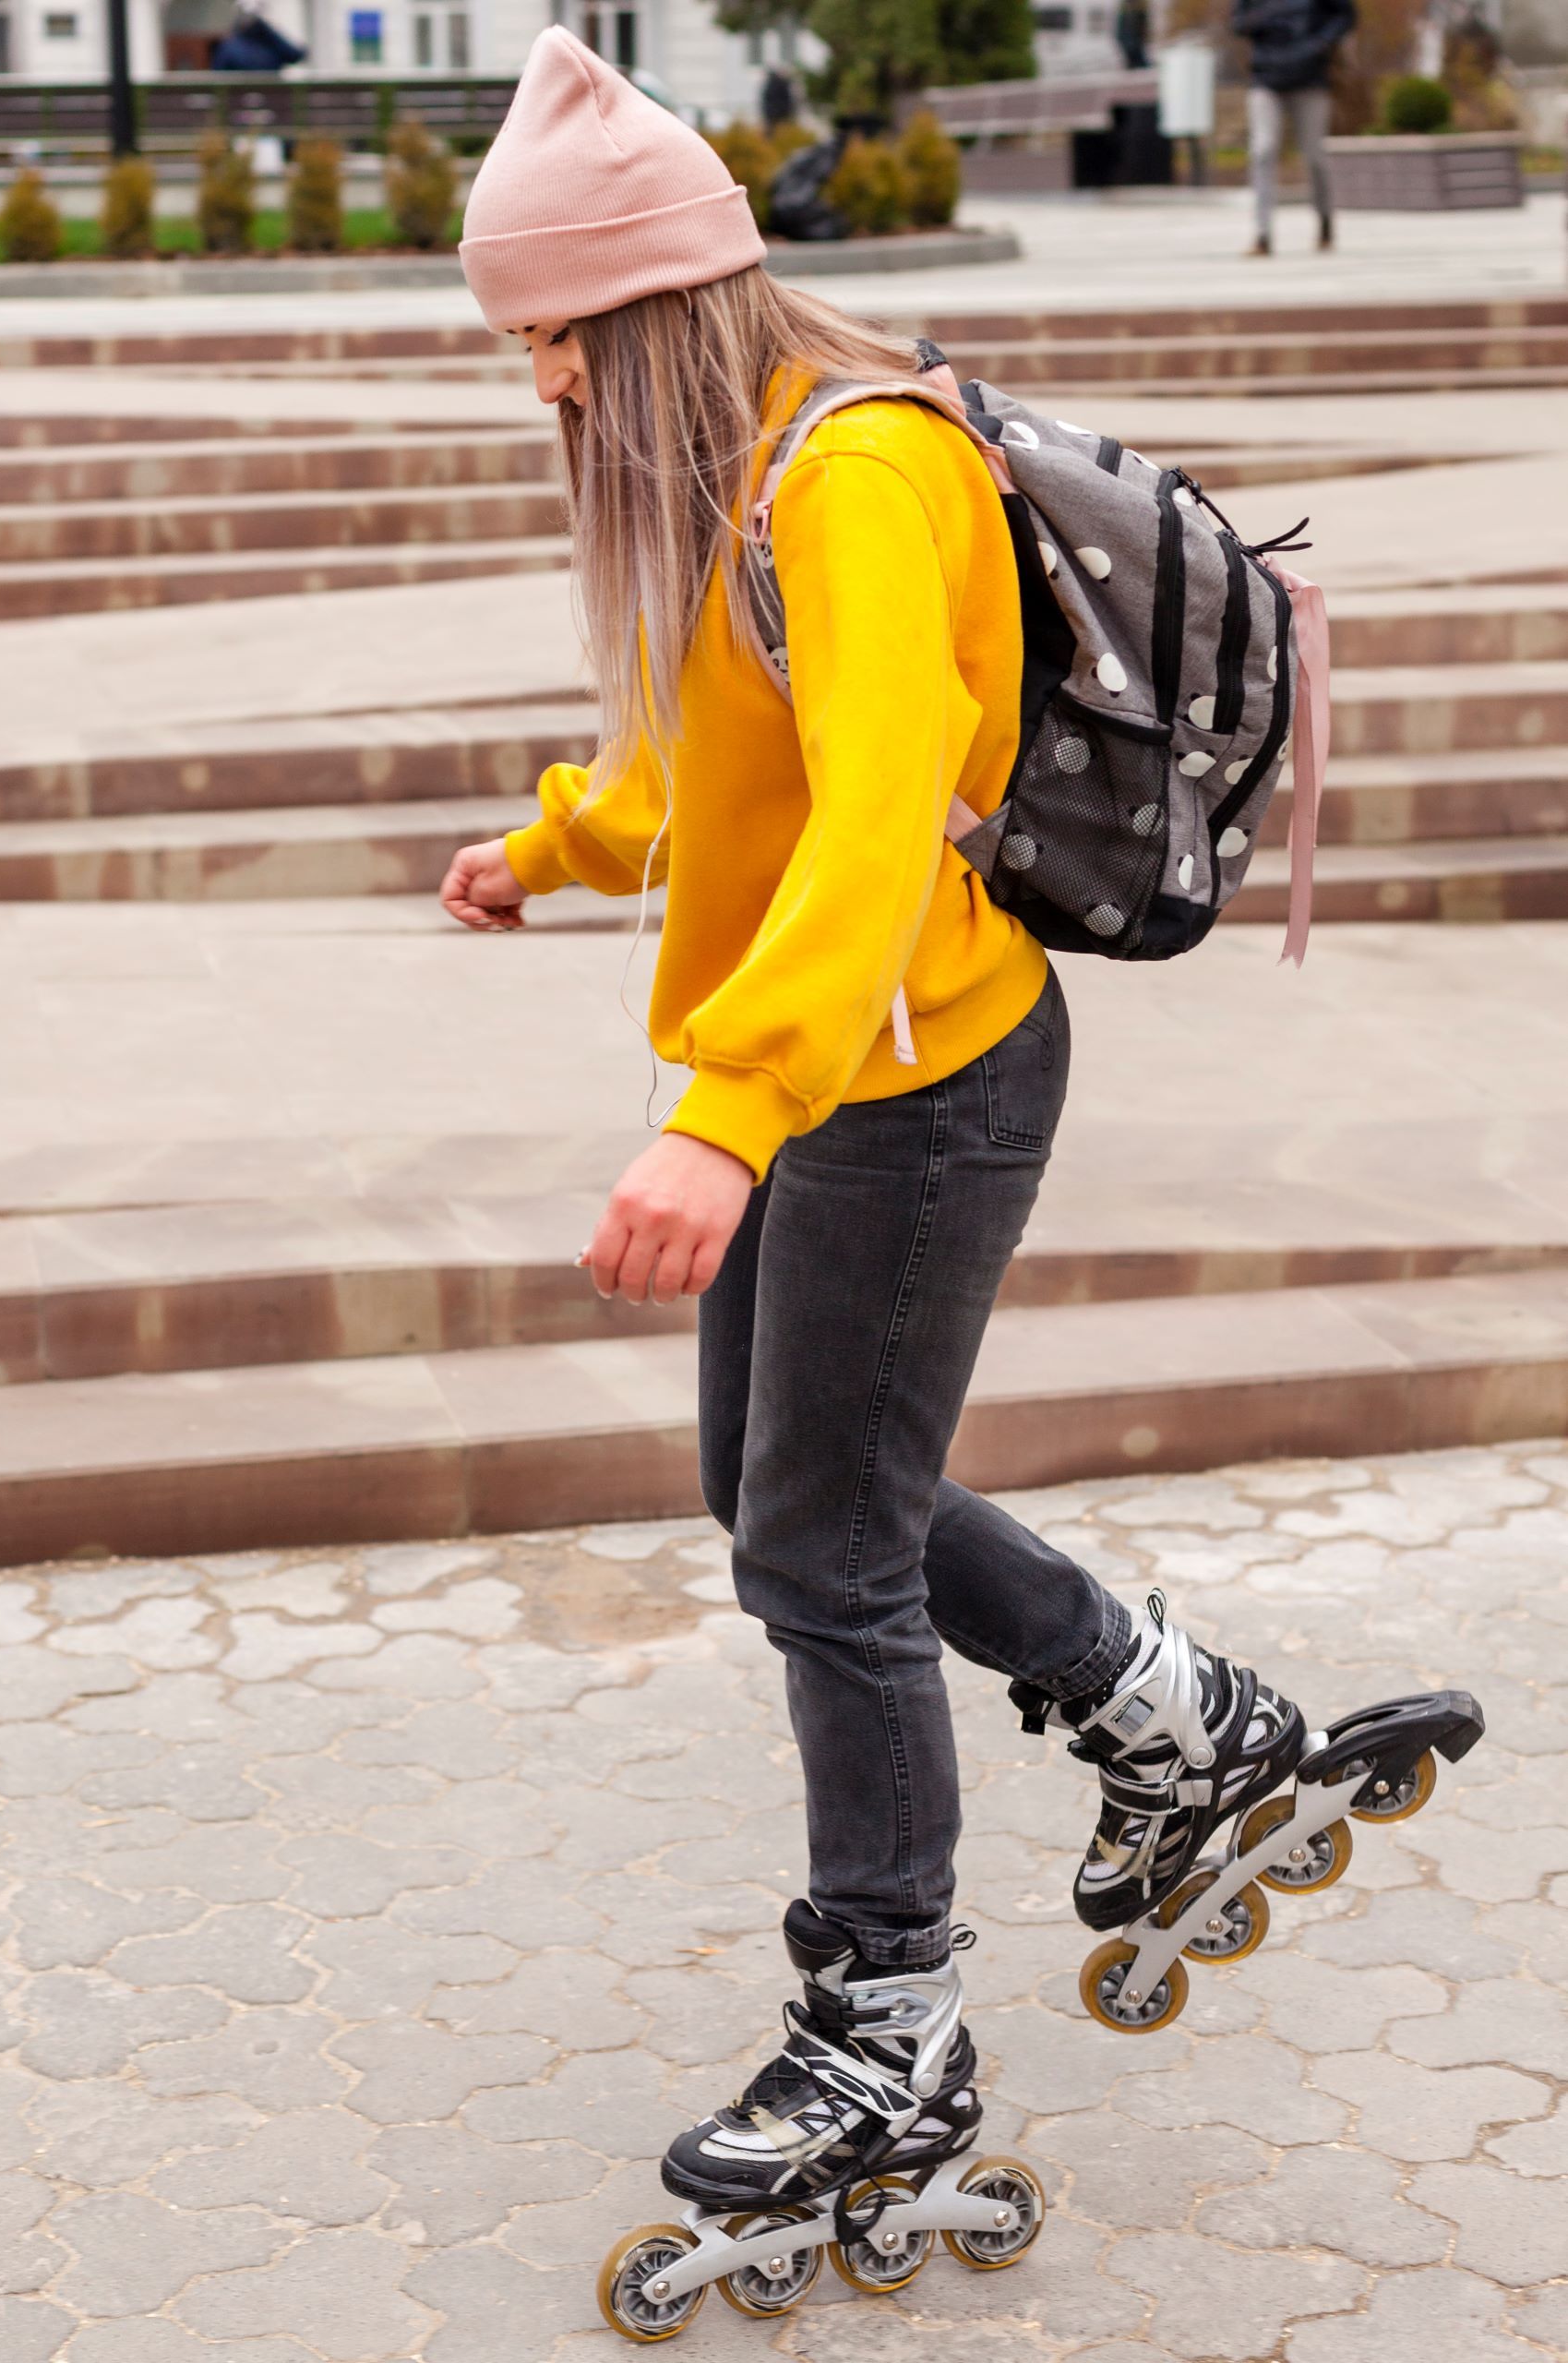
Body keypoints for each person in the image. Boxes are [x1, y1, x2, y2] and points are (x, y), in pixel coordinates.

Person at [444, 27, 1480, 2334]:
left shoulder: (852, 471)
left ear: (638, 307)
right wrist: (550, 843)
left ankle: (885, 2023)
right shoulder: (749, 471)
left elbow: (873, 811)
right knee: (785, 1491)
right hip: (845, 1069)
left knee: (818, 1538)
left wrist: (717, 1112)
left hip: (914, 1084)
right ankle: (1180, 1721)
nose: (541, 387)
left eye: (548, 339)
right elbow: (719, 756)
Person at [1233, 0, 1357, 256]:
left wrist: (1321, 42)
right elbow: (1238, 23)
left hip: (1310, 79)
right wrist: (1265, 18)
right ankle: (1262, 234)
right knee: (1263, 149)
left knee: (1314, 156)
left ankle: (1324, 221)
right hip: (1266, 79)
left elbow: (1346, 16)